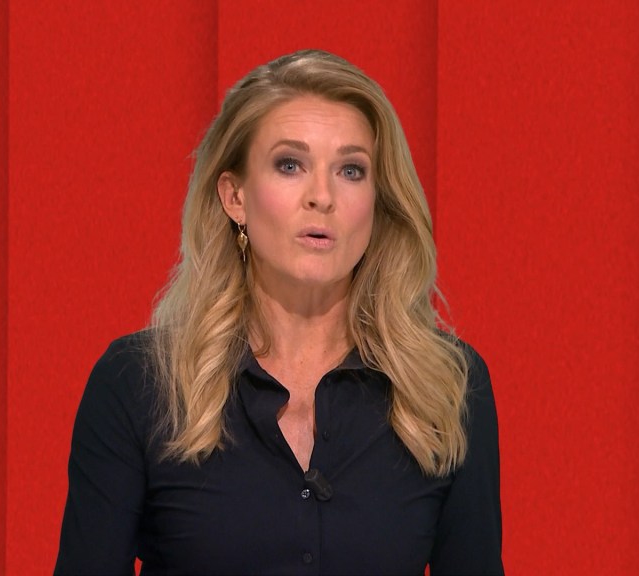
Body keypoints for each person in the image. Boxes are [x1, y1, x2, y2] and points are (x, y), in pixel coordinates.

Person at [54, 49, 504, 575]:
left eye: (351, 170)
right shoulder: (139, 384)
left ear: (378, 204)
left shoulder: (446, 386)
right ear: (235, 197)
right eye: (290, 165)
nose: (322, 197)